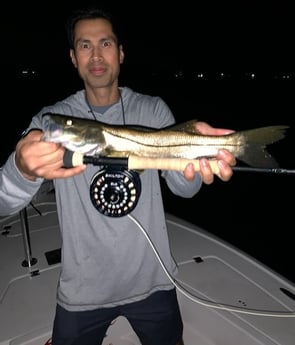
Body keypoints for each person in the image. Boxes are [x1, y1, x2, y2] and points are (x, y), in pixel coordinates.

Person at [0, 7, 236, 345]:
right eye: (85, 45)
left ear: (121, 53)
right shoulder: (54, 120)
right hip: (82, 292)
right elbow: (3, 201)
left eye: (105, 43)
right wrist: (21, 169)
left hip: (153, 282)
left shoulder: (152, 110)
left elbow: (184, 188)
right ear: (73, 57)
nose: (96, 54)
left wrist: (193, 164)